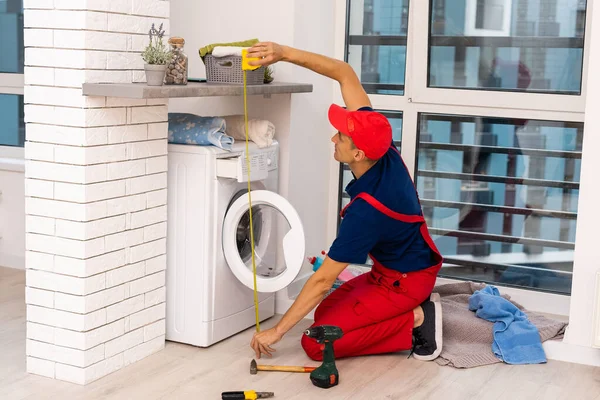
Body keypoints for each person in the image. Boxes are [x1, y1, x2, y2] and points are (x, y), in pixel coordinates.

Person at [246, 42, 444, 362]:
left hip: (405, 283)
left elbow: (323, 279)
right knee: (323, 314)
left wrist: (277, 331)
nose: (333, 137)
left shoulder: (368, 211)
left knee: (316, 343)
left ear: (358, 154)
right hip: (390, 272)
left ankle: (419, 320)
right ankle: (410, 312)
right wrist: (283, 53)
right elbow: (344, 72)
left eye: (341, 136)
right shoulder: (381, 146)